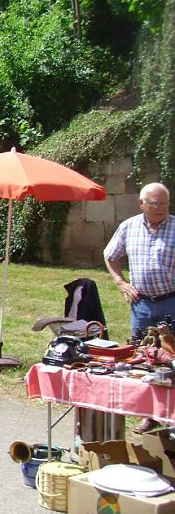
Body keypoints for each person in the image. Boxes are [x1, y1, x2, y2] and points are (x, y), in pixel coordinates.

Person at [104, 182, 175, 433]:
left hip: (171, 301)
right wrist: (120, 282)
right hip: (141, 304)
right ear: (142, 204)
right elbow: (110, 255)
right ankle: (150, 415)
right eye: (155, 203)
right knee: (143, 360)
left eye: (165, 203)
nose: (161, 208)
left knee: (172, 359)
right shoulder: (129, 226)